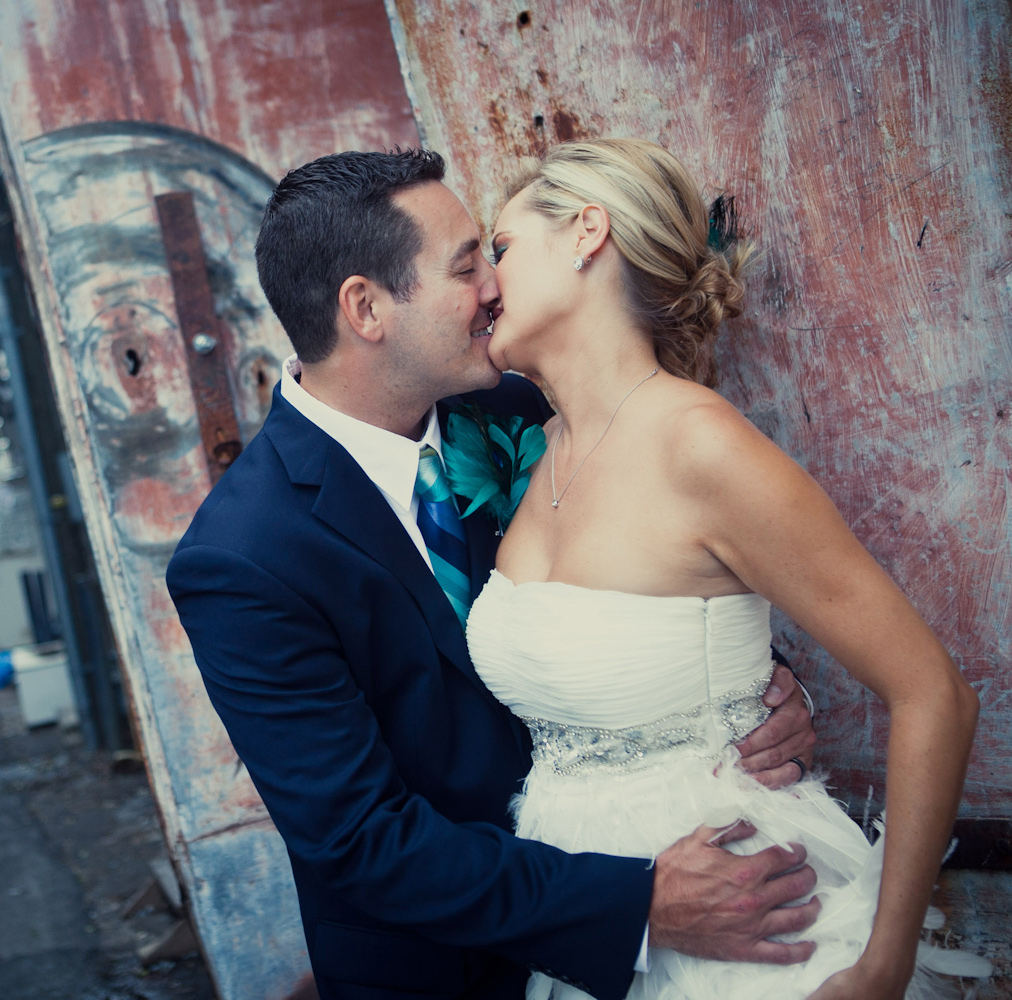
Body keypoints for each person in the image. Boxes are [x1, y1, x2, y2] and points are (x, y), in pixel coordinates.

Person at [166, 149, 821, 1000]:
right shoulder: (241, 558)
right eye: (466, 264)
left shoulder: (524, 414)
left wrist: (758, 694)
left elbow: (660, 578)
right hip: (454, 971)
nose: (495, 288)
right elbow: (362, 839)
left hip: (682, 892)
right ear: (365, 308)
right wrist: (639, 905)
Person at [466, 137, 989, 1000]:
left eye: (502, 248)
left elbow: (934, 690)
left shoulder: (700, 443)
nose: (486, 282)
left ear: (587, 233)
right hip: (590, 920)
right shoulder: (537, 449)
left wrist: (881, 969)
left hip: (747, 915)